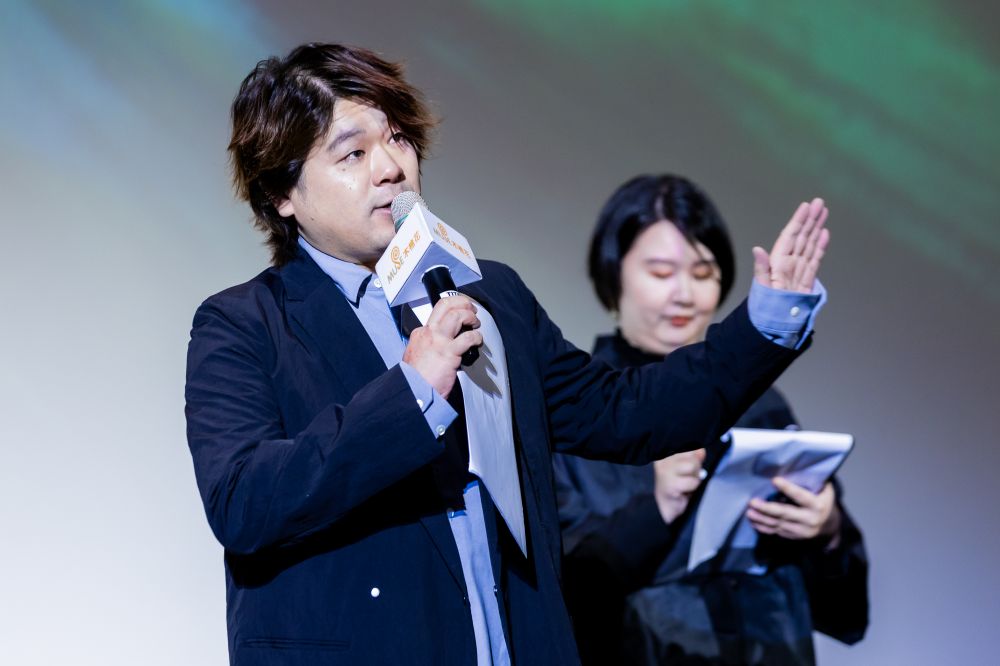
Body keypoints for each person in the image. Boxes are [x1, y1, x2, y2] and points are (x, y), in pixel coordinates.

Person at [185, 43, 831, 666]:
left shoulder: (489, 293)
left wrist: (767, 321)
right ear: (282, 193)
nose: (391, 168)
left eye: (399, 139)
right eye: (353, 153)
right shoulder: (242, 325)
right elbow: (243, 501)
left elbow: (624, 410)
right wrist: (411, 394)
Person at [553, 174, 868, 665]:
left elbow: (846, 617)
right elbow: (564, 599)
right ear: (612, 277)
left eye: (702, 274)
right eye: (661, 273)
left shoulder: (763, 407)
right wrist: (657, 508)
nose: (684, 294)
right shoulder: (580, 413)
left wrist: (827, 532)